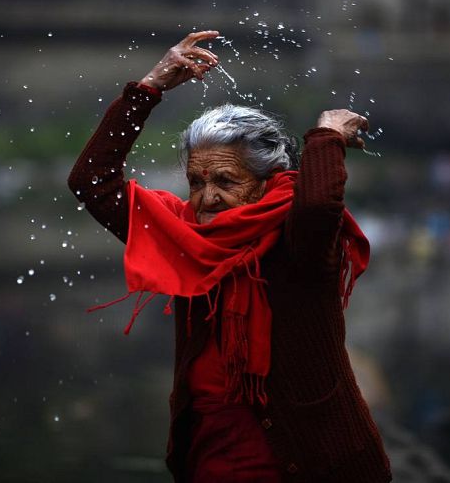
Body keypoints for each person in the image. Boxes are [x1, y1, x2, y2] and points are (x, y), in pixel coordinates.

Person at [68, 30, 391, 482]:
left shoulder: (299, 241)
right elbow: (92, 181)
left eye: (225, 181)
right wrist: (150, 87)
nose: (207, 198)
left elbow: (318, 205)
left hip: (315, 466)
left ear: (265, 182)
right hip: (211, 462)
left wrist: (326, 136)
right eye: (197, 183)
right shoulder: (184, 237)